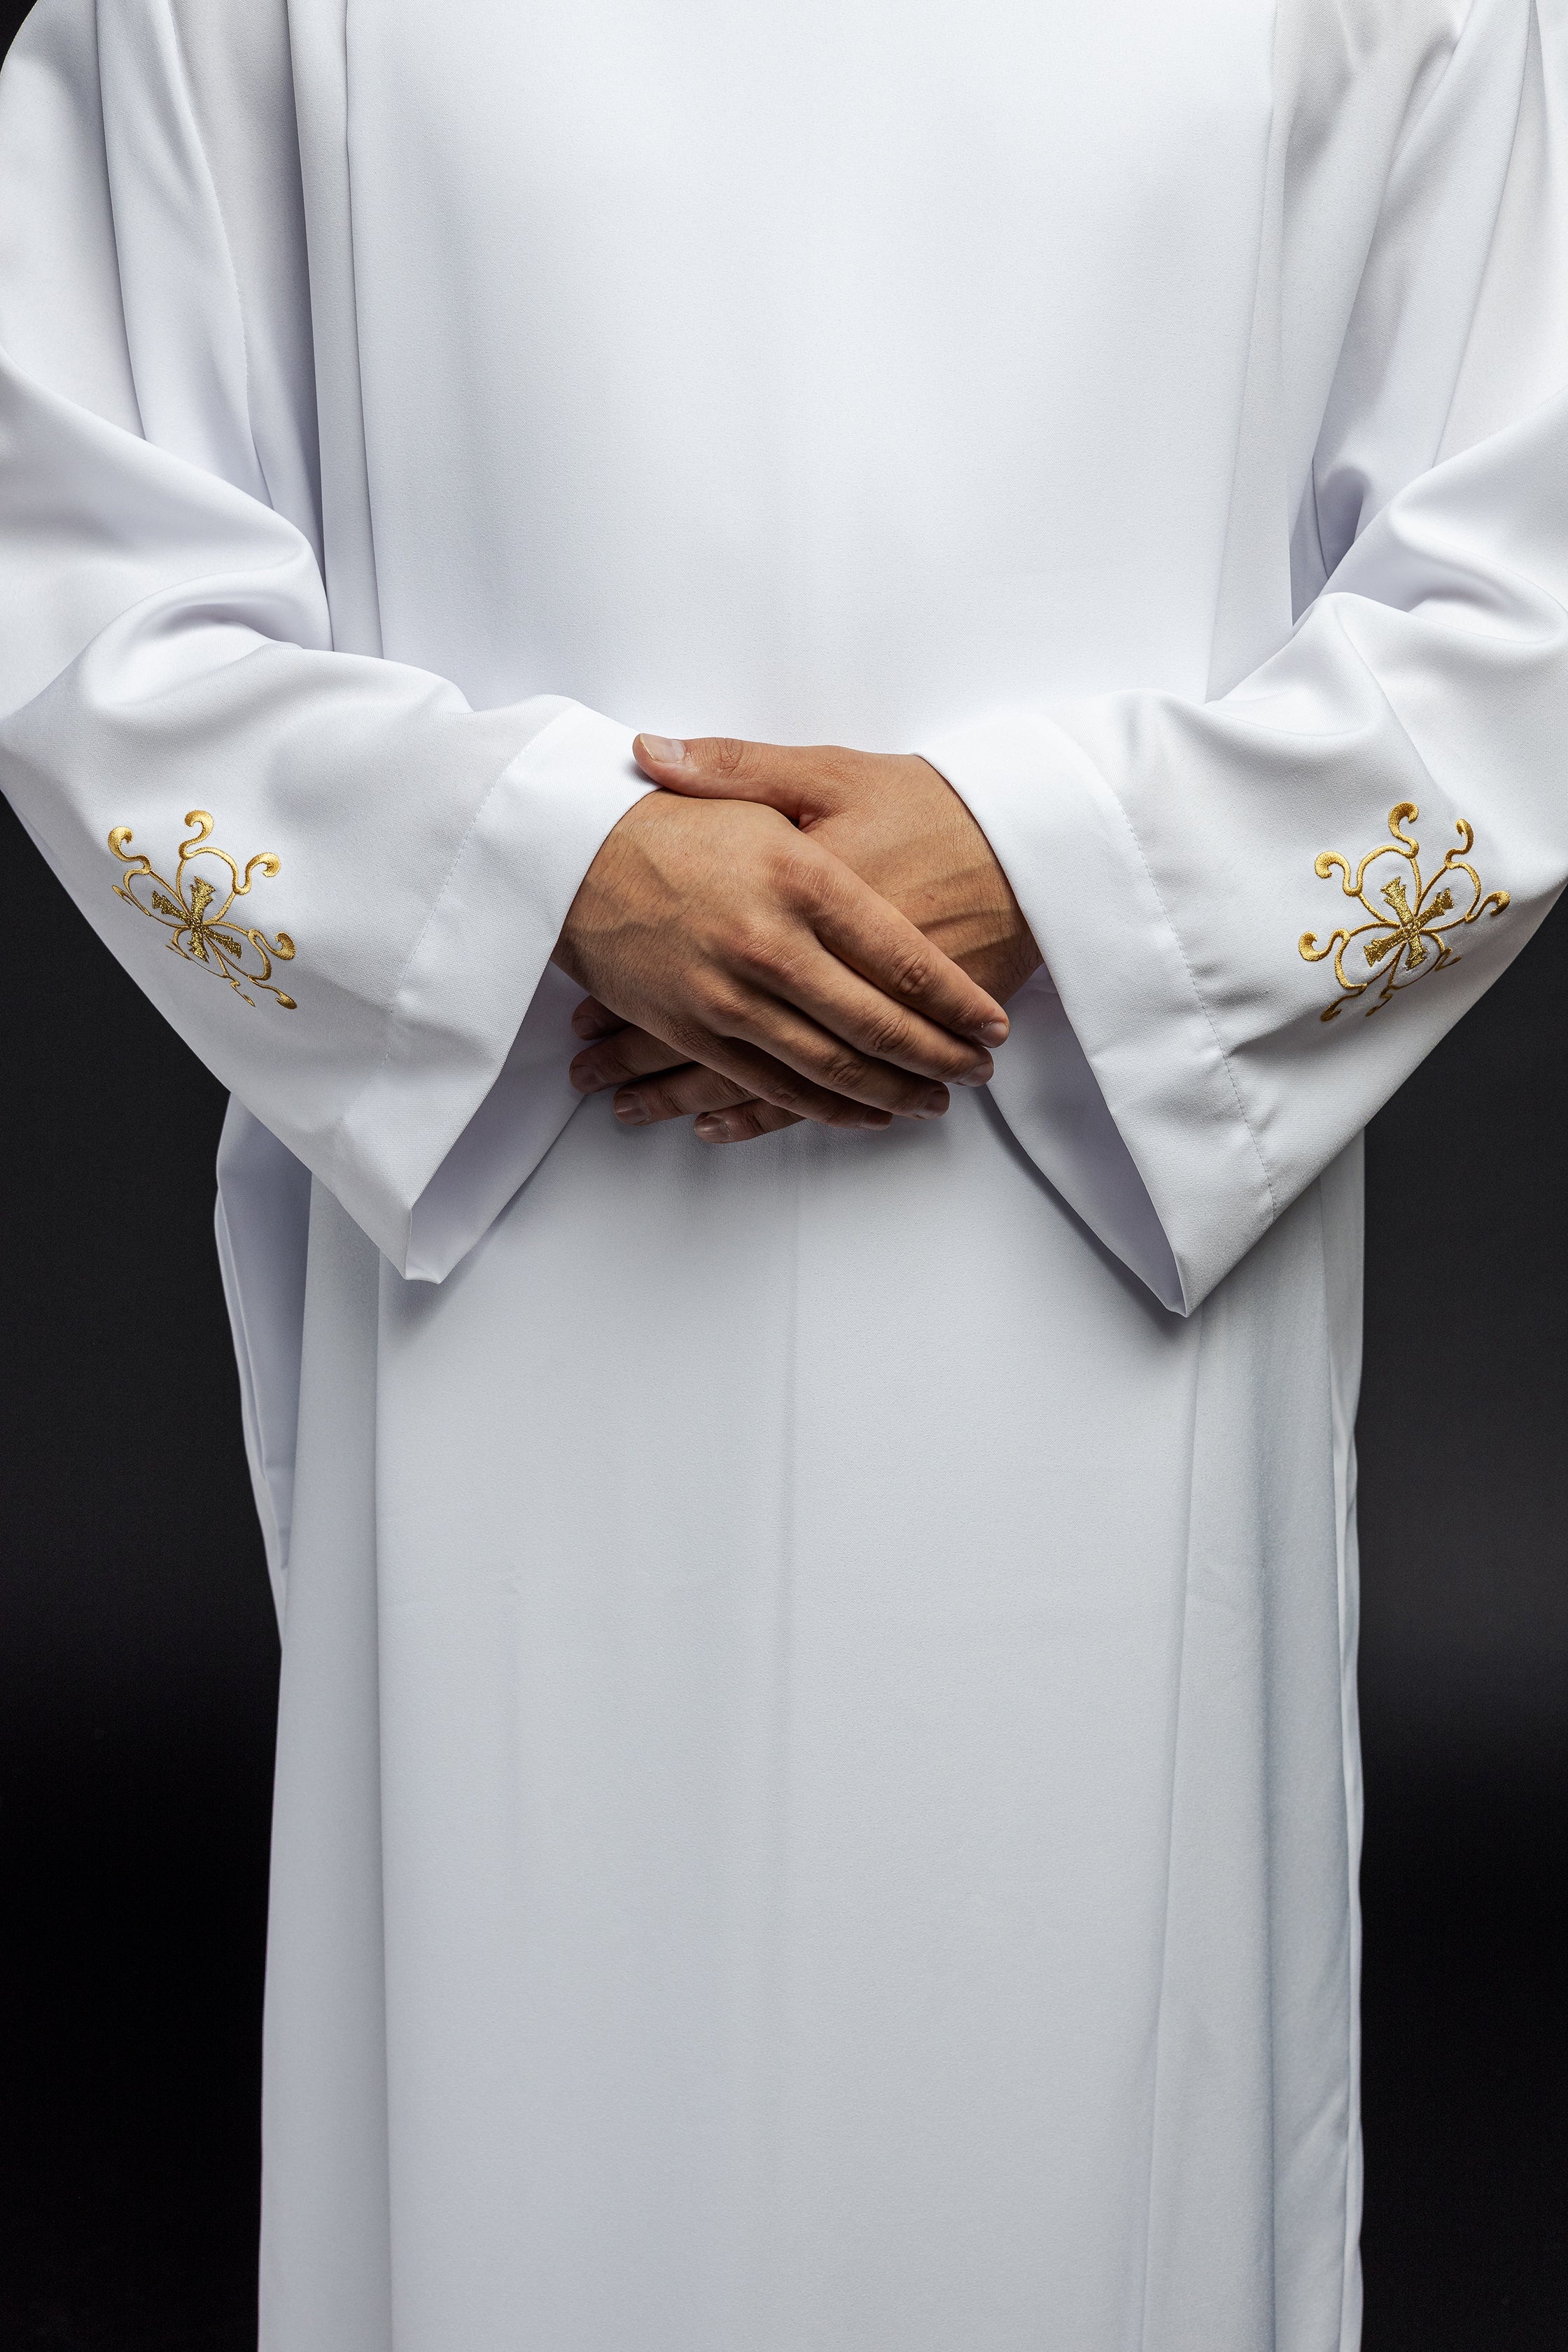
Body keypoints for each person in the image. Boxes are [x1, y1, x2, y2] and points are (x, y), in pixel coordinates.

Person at [1, 1, 1564, 2344]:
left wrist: (1052, 862)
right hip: (534, 1295)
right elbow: (78, 566)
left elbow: (1522, 602)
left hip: (1090, 1290)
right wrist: (545, 874)